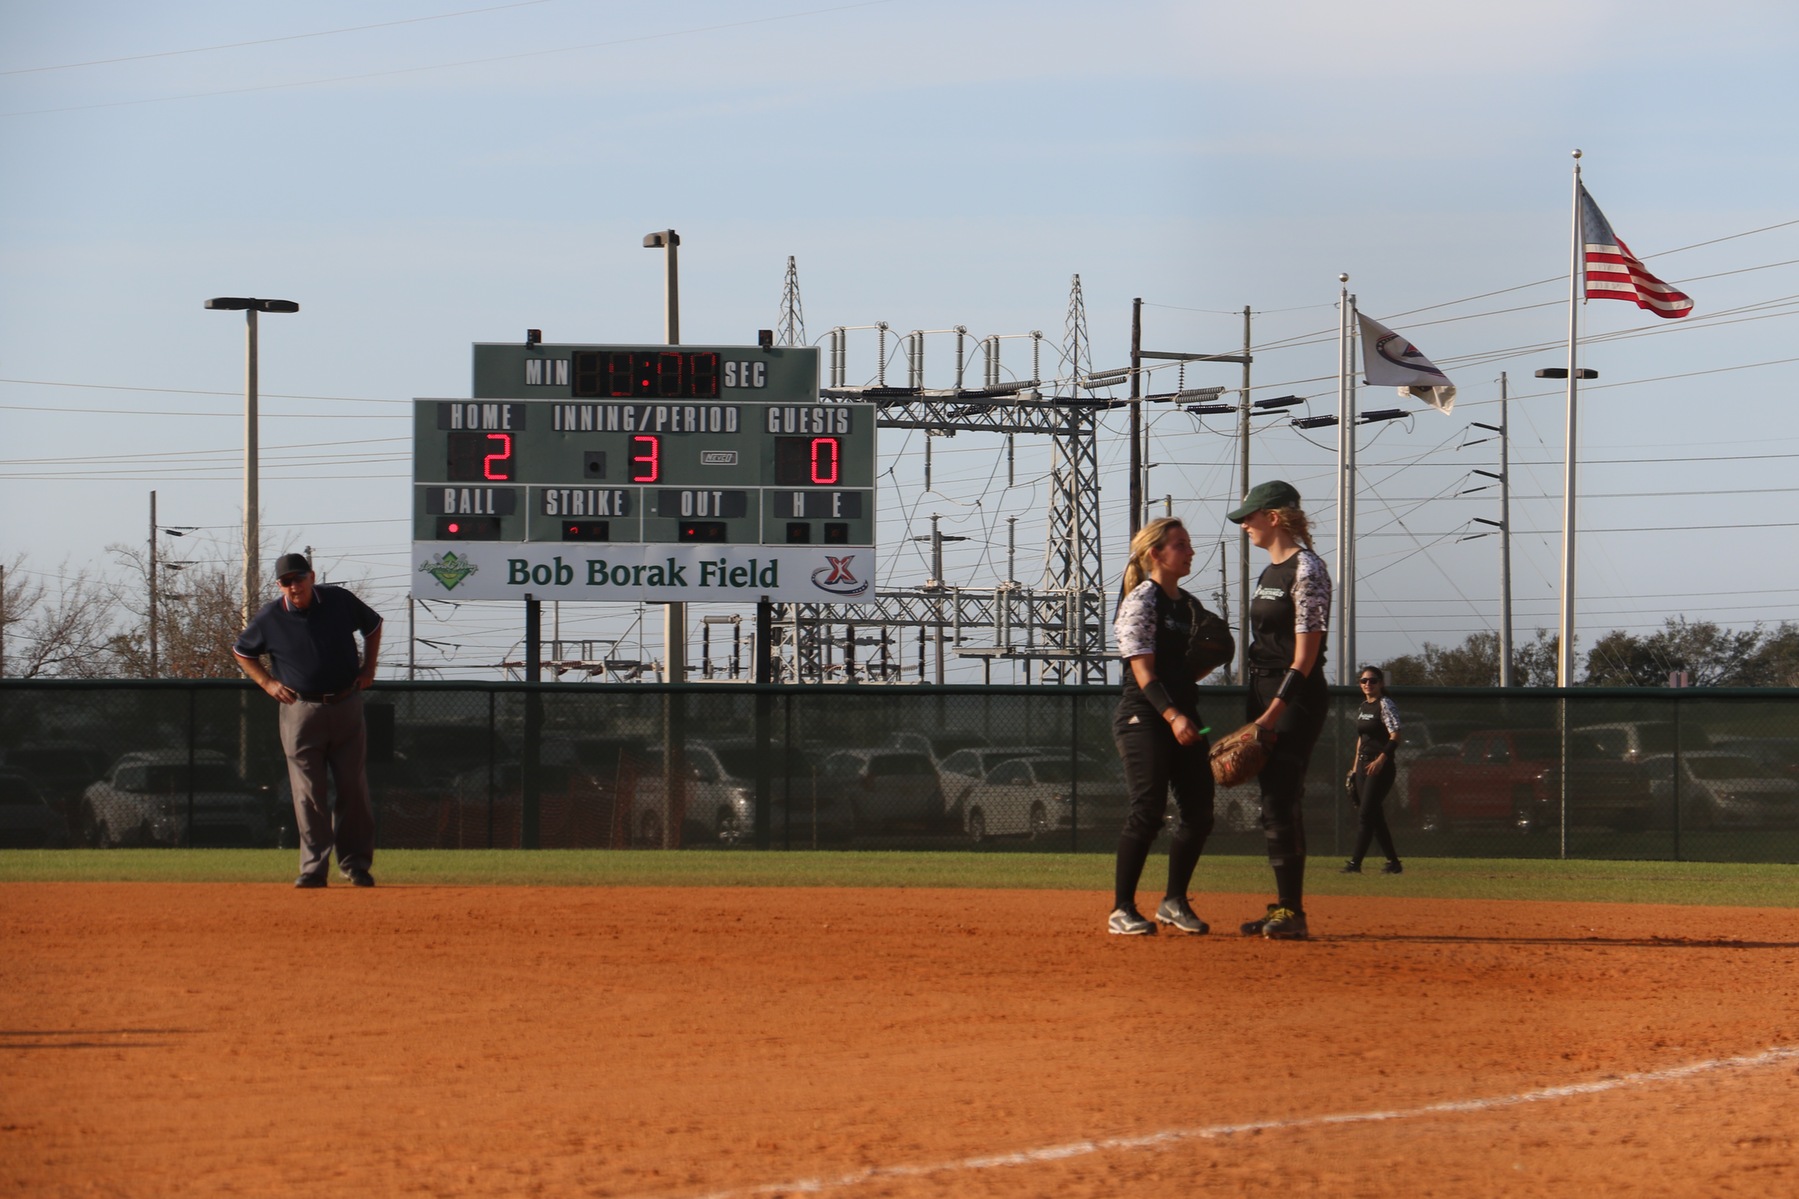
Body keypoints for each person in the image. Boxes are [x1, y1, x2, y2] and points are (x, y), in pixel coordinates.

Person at [232, 552, 384, 889]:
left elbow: (373, 626)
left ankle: (356, 865)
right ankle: (314, 868)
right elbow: (242, 651)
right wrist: (268, 683)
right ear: (279, 585)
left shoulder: (338, 600)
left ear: (312, 577)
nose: (293, 586)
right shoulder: (271, 616)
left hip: (345, 704)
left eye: (299, 578)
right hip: (300, 711)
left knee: (352, 789)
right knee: (308, 794)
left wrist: (369, 668)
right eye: (286, 582)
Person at [1228, 481, 1331, 940]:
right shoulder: (1268, 571)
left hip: (1295, 697)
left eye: (1250, 516)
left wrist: (1272, 712)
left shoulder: (1306, 568)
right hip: (1262, 691)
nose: (1244, 524)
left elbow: (1306, 656)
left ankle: (1293, 912)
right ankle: (1286, 907)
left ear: (1273, 517)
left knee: (1280, 799)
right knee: (1272, 801)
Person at [1107, 517, 1219, 936]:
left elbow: (1188, 668)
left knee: (1199, 812)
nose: (1190, 551)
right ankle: (1121, 909)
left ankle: (1173, 901)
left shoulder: (1188, 605)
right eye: (1181, 545)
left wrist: (1210, 661)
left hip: (1184, 715)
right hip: (1145, 717)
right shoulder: (1141, 600)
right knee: (1148, 810)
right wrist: (1173, 716)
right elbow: (1144, 672)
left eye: (1189, 544)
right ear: (1156, 553)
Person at [1342, 665, 1404, 876]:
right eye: (1364, 681)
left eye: (1372, 680)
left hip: (1380, 766)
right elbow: (1362, 739)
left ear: (1381, 683)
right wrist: (1353, 769)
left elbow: (1395, 735)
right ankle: (1393, 863)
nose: (1368, 684)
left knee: (1366, 814)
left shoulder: (1385, 704)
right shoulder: (1363, 706)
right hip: (1362, 765)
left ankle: (1354, 863)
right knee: (1374, 815)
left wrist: (1381, 759)